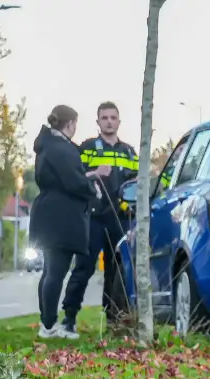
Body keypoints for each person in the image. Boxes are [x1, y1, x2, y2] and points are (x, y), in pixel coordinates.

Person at [28, 105, 111, 339]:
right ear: (70, 123)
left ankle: (47, 322)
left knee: (49, 271)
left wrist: (90, 175)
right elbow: (73, 182)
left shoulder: (48, 145)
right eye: (75, 123)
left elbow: (64, 177)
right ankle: (49, 325)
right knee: (56, 271)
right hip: (61, 216)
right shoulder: (62, 149)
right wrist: (92, 190)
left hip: (47, 212)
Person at [62, 101, 138, 332]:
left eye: (113, 118)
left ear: (119, 121)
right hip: (93, 218)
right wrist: (94, 173)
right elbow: (74, 176)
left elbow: (137, 183)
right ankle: (69, 318)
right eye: (104, 118)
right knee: (84, 268)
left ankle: (115, 320)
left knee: (118, 272)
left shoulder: (129, 151)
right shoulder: (86, 148)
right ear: (97, 122)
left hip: (121, 219)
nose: (109, 122)